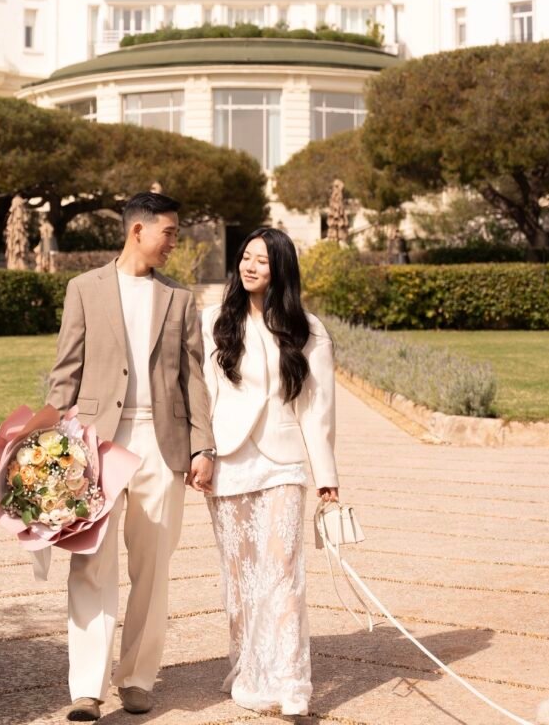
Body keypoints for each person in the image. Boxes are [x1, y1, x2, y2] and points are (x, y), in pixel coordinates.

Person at [46, 191, 216, 722]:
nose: (175, 242)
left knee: (153, 569)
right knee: (90, 564)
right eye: (169, 232)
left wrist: (202, 446)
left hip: (162, 447)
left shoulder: (180, 299)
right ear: (137, 230)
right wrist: (45, 445)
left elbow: (194, 379)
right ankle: (86, 689)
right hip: (97, 445)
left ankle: (138, 678)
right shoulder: (84, 289)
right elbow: (65, 370)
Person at [200, 227, 339, 718]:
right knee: (240, 577)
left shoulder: (308, 329)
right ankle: (249, 666)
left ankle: (290, 682)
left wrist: (327, 476)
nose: (250, 265)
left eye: (262, 259)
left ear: (281, 269)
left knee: (282, 572)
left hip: (283, 463)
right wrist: (203, 453)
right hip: (228, 461)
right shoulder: (213, 321)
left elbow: (318, 410)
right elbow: (203, 394)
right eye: (246, 257)